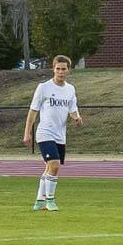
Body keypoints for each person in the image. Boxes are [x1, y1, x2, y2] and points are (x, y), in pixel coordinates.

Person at [23, 55, 82, 212]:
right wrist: (27, 133)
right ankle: (50, 200)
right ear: (53, 69)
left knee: (49, 168)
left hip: (60, 135)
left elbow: (72, 109)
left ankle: (39, 202)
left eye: (64, 69)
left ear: (69, 70)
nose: (61, 72)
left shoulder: (70, 89)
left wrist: (77, 117)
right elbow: (33, 111)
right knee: (54, 165)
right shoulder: (44, 87)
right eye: (58, 69)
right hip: (45, 133)